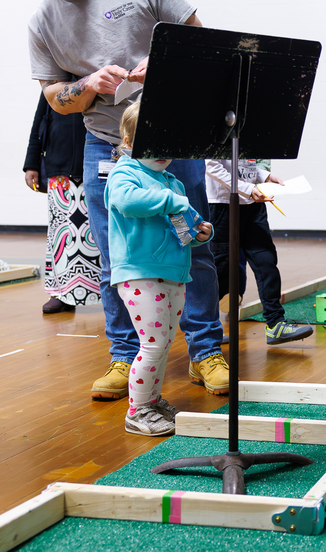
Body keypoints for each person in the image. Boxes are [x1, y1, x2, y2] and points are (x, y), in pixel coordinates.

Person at [9, 0, 229, 399]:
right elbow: (53, 97)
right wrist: (85, 85)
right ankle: (124, 356)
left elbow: (203, 41)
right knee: (113, 255)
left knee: (191, 239)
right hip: (106, 145)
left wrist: (167, 62)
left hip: (176, 140)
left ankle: (206, 351)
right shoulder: (42, 23)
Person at [106, 102, 213, 436]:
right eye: (155, 144)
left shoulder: (173, 183)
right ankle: (137, 411)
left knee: (163, 343)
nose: (164, 153)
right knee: (152, 344)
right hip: (139, 272)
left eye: (170, 145)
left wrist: (198, 235)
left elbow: (182, 231)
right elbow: (128, 201)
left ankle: (150, 400)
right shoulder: (125, 173)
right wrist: (169, 200)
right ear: (128, 140)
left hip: (173, 273)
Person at [205, 158, 313, 345]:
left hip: (252, 204)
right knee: (221, 267)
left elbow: (245, 165)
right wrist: (248, 189)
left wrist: (265, 175)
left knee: (266, 261)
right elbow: (212, 167)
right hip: (222, 204)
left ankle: (275, 324)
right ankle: (208, 329)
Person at [24, 91, 101, 314]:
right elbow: (40, 120)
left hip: (97, 166)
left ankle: (111, 296)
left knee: (98, 234)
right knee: (60, 235)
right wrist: (32, 163)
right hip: (59, 167)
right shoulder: (54, 81)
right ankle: (60, 294)